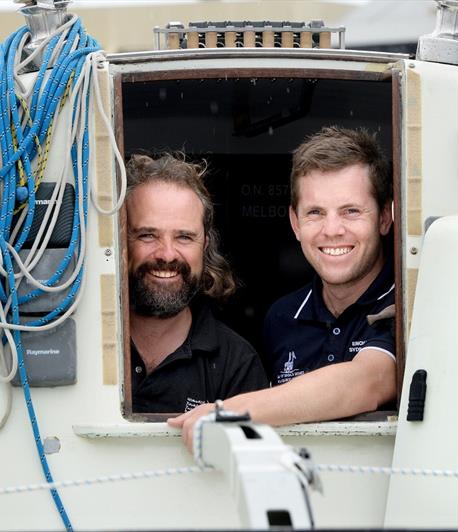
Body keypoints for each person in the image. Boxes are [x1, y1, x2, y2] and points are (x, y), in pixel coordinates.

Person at [169, 127, 396, 447]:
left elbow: (369, 381)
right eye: (315, 212)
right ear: (295, 222)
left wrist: (230, 411)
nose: (332, 230)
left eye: (351, 211)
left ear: (385, 216)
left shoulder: (408, 301)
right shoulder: (282, 318)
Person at [125, 153, 268, 413]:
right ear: (121, 240)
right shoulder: (91, 345)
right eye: (147, 235)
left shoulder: (237, 364)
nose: (166, 254)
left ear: (205, 245)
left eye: (184, 237)